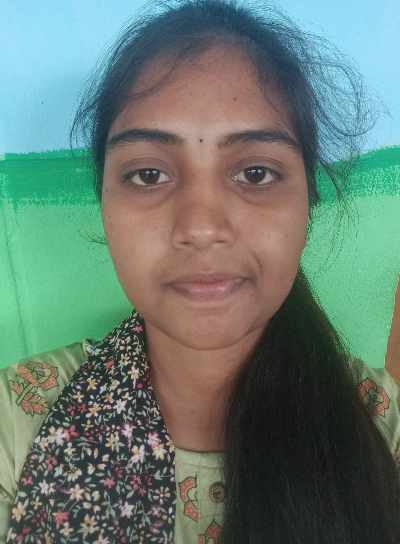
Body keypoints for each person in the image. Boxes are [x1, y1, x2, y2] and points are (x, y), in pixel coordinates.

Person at [1, 0, 400, 542]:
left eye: (255, 173)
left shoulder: (383, 428)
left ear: (308, 205)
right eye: (148, 175)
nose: (202, 227)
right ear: (104, 205)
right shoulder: (17, 425)